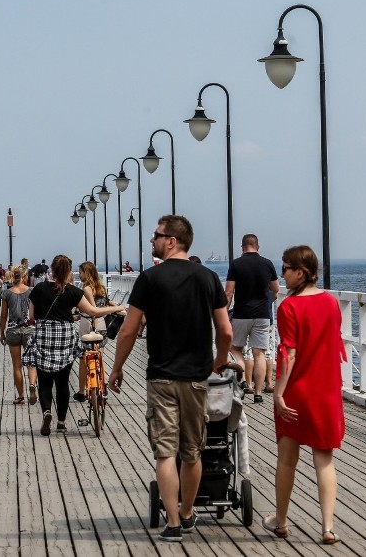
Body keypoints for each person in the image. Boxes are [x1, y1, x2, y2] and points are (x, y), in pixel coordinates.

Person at [108, 215, 232, 542]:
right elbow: (226, 329)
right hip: (196, 378)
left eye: (157, 236)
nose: (152, 241)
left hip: (161, 376)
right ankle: (189, 513)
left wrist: (117, 368)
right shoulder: (208, 278)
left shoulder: (150, 279)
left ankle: (173, 523)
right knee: (192, 451)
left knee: (165, 452)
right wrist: (220, 360)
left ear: (172, 241)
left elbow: (129, 331)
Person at [261, 245, 345, 545]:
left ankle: (281, 521)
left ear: (300, 272)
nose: (281, 274)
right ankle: (328, 527)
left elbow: (289, 355)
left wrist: (278, 394)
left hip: (297, 391)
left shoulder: (289, 306)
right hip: (326, 391)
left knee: (286, 460)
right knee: (324, 460)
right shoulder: (331, 303)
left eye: (285, 268)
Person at [23, 255, 124, 436]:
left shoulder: (38, 288)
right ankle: (61, 422)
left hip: (45, 335)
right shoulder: (73, 291)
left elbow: (31, 316)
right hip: (65, 337)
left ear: (51, 270)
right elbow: (93, 311)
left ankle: (47, 412)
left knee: (45, 381)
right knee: (62, 381)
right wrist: (115, 308)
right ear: (69, 272)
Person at [225, 233, 279, 403]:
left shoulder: (236, 264)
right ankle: (258, 394)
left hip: (241, 314)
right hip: (262, 315)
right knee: (259, 354)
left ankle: (242, 381)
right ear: (258, 246)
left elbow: (229, 291)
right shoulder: (267, 263)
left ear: (242, 247)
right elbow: (275, 288)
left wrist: (225, 312)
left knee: (235, 349)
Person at [0, 266, 37, 405]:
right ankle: (32, 385)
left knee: (17, 365)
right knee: (31, 363)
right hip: (29, 330)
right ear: (25, 276)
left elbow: (3, 315)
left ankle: (21, 396)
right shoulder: (31, 291)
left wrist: (1, 332)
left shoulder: (7, 293)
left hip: (13, 330)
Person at [73, 261, 110, 402]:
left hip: (89, 323)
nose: (80, 275)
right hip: (101, 324)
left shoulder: (87, 289)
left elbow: (92, 310)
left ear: (86, 273)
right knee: (99, 356)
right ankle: (103, 388)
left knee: (84, 358)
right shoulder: (102, 288)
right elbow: (105, 304)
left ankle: (82, 392)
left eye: (81, 272)